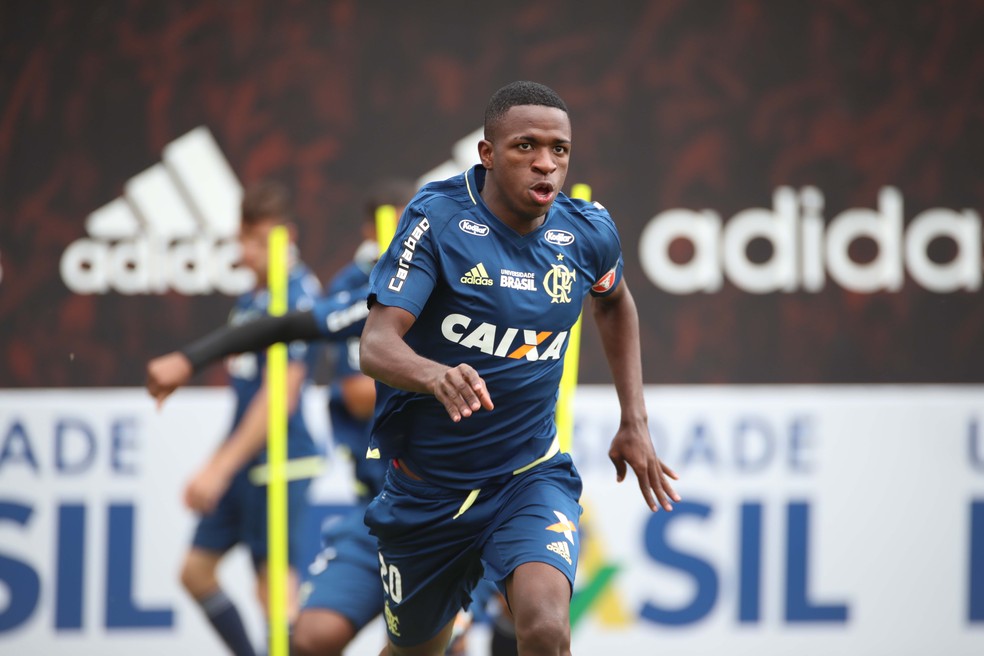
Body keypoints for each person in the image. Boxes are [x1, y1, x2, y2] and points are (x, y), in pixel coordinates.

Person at [358, 80, 680, 656]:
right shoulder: (437, 221)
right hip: (427, 490)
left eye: (559, 149)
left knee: (546, 628)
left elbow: (615, 303)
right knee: (415, 652)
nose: (545, 164)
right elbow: (376, 345)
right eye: (525, 146)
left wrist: (635, 419)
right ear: (486, 153)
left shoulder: (587, 232)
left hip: (527, 477)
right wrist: (435, 375)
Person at [147, 182, 510, 656]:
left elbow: (298, 391)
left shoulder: (476, 290)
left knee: (461, 632)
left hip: (465, 506)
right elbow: (327, 358)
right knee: (310, 633)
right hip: (388, 500)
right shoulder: (362, 293)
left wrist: (423, 371)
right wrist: (190, 360)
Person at [151, 181, 324, 656]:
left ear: (285, 237)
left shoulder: (296, 296)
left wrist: (217, 469)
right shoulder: (250, 301)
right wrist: (217, 464)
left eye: (257, 239)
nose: (246, 251)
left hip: (281, 461)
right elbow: (245, 400)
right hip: (242, 460)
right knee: (196, 572)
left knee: (275, 591)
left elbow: (278, 398)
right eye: (242, 238)